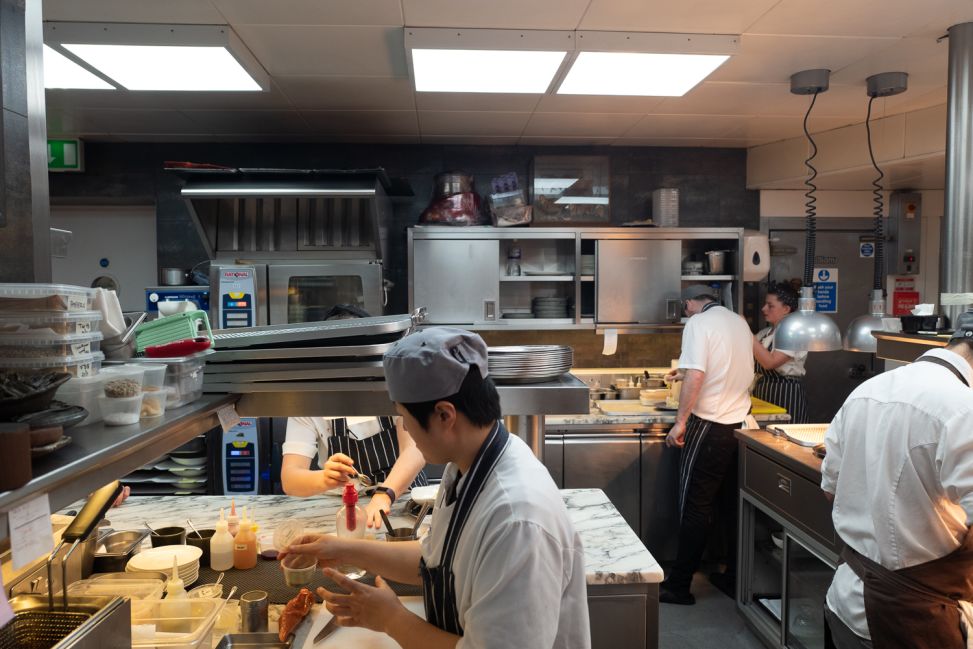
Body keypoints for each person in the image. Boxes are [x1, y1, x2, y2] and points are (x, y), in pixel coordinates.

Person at [278, 327, 590, 649]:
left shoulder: (518, 522)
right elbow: (437, 559)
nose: (408, 434)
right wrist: (344, 549)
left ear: (444, 415)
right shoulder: (466, 466)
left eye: (405, 418)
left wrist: (392, 620)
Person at [821, 325, 973, 649]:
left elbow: (829, 490)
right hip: (912, 621)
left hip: (845, 602)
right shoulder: (964, 408)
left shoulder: (866, 390)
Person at [281, 304, 427, 529]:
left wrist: (384, 494)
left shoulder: (394, 384)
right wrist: (323, 479)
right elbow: (290, 478)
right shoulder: (311, 399)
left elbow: (415, 449)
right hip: (343, 507)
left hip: (406, 501)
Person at [660, 284, 755, 605]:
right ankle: (733, 577)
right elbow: (724, 365)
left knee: (695, 504)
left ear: (690, 302)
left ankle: (679, 586)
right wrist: (685, 372)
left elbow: (698, 376)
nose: (685, 312)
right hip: (738, 424)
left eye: (684, 306)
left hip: (710, 424)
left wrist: (680, 421)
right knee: (731, 506)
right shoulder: (738, 321)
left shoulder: (698, 324)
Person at [752, 281, 808, 423]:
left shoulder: (793, 332)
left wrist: (746, 331)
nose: (764, 309)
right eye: (765, 304)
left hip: (786, 393)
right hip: (764, 392)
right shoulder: (765, 333)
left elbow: (770, 363)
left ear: (786, 309)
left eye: (770, 306)